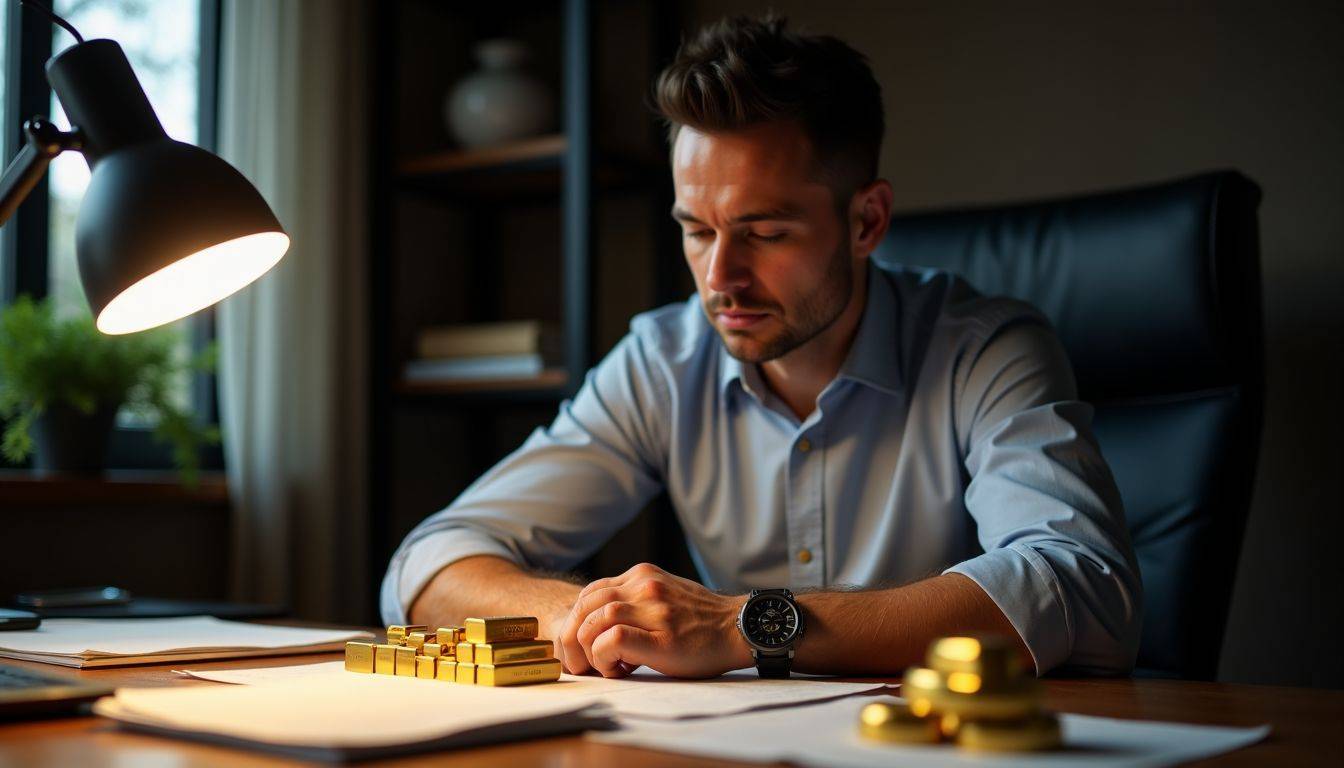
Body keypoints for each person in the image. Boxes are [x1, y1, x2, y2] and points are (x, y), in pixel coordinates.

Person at [381, 15, 1141, 680]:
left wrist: (744, 625)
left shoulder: (988, 349)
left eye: (765, 233)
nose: (721, 279)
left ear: (867, 222)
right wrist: (597, 615)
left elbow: (1080, 586)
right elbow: (427, 565)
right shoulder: (662, 360)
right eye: (697, 230)